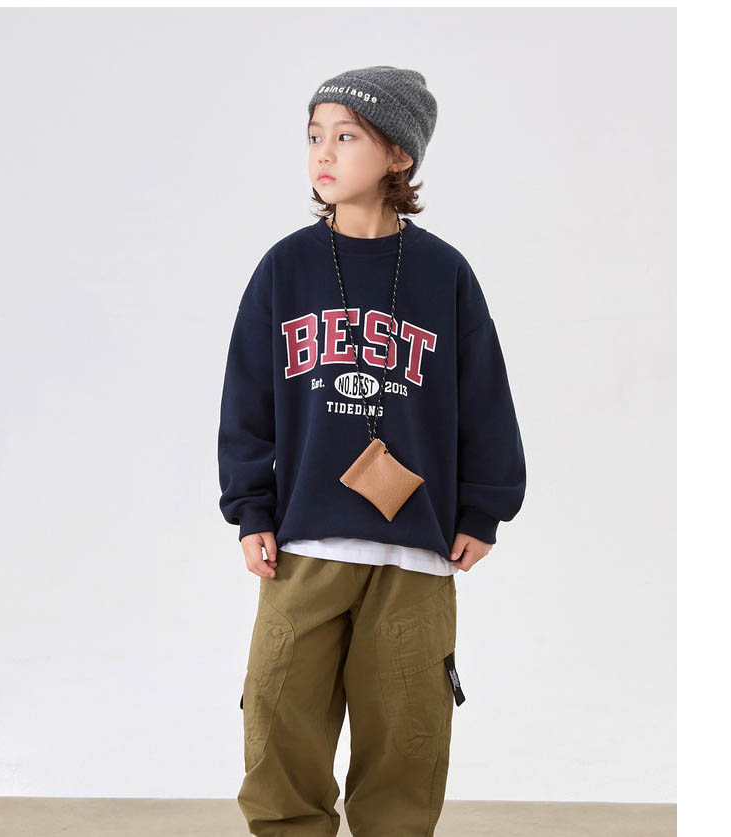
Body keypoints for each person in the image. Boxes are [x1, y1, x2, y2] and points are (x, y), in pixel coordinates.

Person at [217, 65, 526, 837]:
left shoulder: (443, 273)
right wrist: (251, 509)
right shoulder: (286, 268)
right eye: (314, 135)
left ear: (399, 155)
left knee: (408, 739)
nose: (323, 152)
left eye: (347, 136)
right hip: (303, 546)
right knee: (279, 718)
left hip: (414, 552)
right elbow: (247, 399)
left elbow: (486, 397)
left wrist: (484, 510)